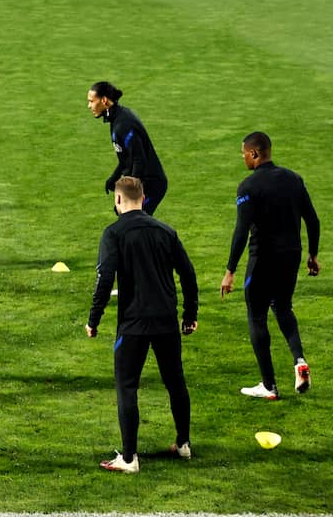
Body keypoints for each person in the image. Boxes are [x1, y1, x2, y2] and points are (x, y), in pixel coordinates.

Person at [87, 177, 198, 474]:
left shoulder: (113, 233)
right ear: (145, 197)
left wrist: (93, 320)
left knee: (127, 387)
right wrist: (189, 315)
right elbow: (188, 274)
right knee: (176, 383)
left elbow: (105, 279)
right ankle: (184, 444)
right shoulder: (166, 231)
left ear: (119, 200)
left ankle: (129, 457)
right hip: (166, 323)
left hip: (133, 325)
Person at [221, 132, 320, 400]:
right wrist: (312, 254)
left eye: (243, 153)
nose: (242, 157)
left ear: (254, 153)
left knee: (256, 316)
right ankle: (299, 361)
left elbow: (241, 232)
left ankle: (269, 385)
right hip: (291, 256)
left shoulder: (249, 187)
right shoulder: (293, 179)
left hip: (263, 259)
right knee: (284, 307)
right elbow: (313, 220)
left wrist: (230, 271)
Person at [87, 81, 167, 216]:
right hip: (142, 181)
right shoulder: (117, 119)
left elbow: (138, 160)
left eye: (91, 101)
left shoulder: (124, 124)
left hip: (151, 184)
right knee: (130, 222)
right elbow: (127, 158)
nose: (89, 106)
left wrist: (130, 195)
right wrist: (114, 177)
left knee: (133, 221)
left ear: (104, 100)